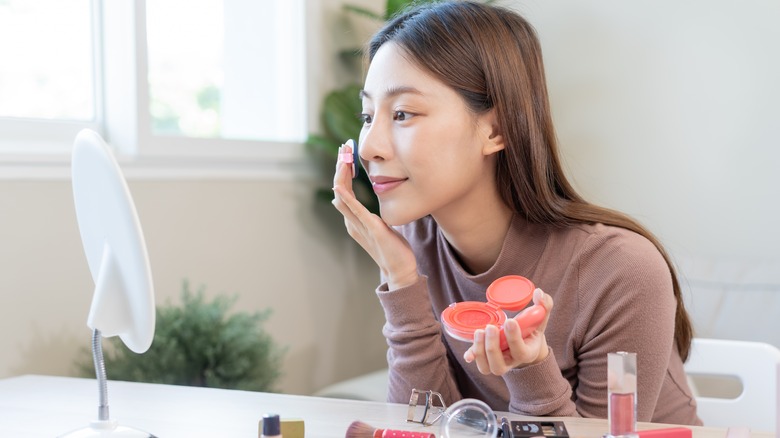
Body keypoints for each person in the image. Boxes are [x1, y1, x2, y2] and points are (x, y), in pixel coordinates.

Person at [331, 0, 700, 425]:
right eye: (367, 114)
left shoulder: (622, 272)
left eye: (402, 114)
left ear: (496, 129)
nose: (369, 147)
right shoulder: (412, 247)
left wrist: (530, 367)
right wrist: (401, 281)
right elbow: (424, 427)